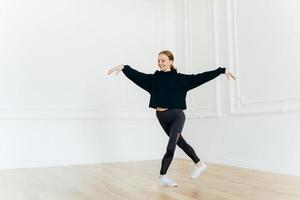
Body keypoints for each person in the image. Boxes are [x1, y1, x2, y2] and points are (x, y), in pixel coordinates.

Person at [107, 50, 236, 187]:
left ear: (171, 61)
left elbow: (201, 77)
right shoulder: (153, 80)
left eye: (163, 60)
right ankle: (199, 164)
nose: (160, 63)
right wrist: (124, 68)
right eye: (159, 60)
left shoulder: (181, 79)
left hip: (176, 115)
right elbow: (137, 76)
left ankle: (163, 175)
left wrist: (221, 70)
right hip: (161, 116)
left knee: (171, 146)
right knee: (181, 143)